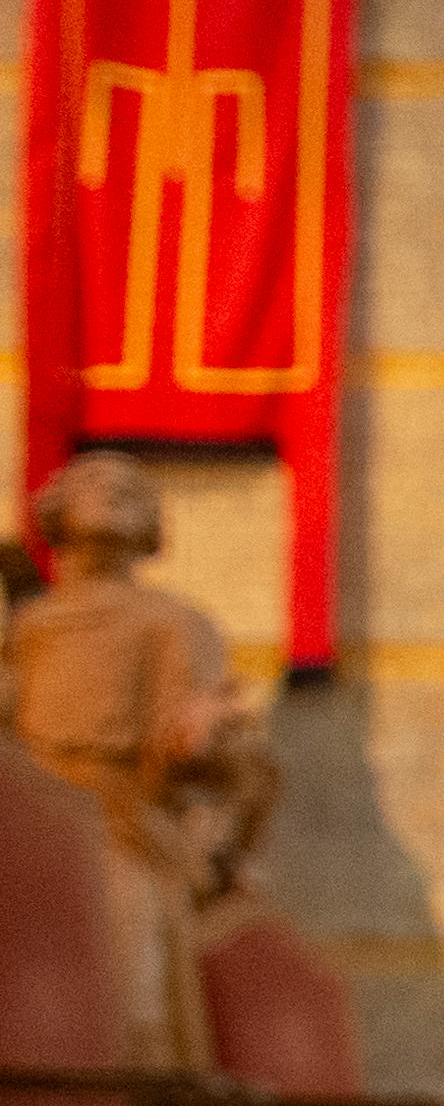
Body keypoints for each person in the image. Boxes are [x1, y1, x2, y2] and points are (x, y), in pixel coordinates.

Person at [7, 452, 278, 1067]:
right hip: (23, 830)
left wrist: (200, 743)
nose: (113, 491)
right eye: (95, 482)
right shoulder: (28, 628)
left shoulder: (175, 624)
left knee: (127, 990)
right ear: (56, 510)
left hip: (118, 824)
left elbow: (220, 755)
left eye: (131, 488)